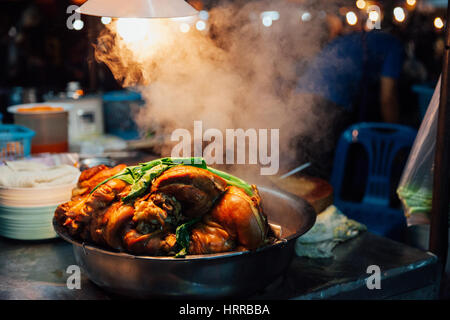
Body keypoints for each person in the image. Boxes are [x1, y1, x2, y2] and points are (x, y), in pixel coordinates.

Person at [293, 24, 405, 179]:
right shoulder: (395, 45)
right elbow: (388, 97)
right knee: (322, 170)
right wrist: (395, 137)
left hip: (300, 96)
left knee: (300, 164)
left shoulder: (355, 37)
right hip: (329, 103)